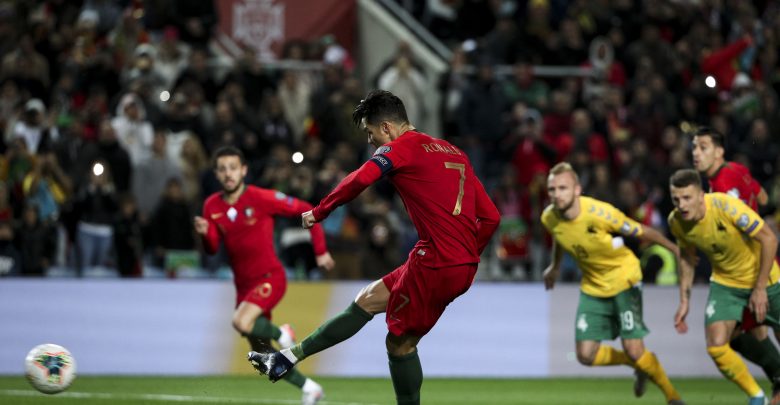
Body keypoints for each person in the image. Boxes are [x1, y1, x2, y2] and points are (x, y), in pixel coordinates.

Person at [248, 90, 500, 405]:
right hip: (452, 260)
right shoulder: (454, 151)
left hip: (436, 261)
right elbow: (491, 217)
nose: (370, 142)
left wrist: (320, 211)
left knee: (400, 345)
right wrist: (465, 257)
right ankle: (286, 358)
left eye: (370, 133)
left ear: (386, 128)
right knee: (367, 299)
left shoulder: (401, 147)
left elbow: (361, 178)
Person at [194, 146, 334, 405]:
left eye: (233, 168)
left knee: (240, 322)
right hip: (244, 288)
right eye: (222, 169)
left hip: (270, 277)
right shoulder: (211, 205)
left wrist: (320, 251)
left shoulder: (260, 197)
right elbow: (212, 248)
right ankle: (310, 388)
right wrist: (205, 234)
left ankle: (282, 332)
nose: (228, 174)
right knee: (263, 358)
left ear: (243, 170)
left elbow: (306, 209)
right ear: (216, 174)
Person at [541, 162, 684, 405]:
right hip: (593, 287)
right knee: (585, 355)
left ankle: (673, 397)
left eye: (563, 188)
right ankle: (638, 365)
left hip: (624, 279)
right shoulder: (549, 217)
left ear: (577, 189)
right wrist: (554, 266)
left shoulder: (600, 212)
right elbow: (559, 236)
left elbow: (640, 231)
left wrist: (676, 250)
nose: (557, 194)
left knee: (635, 350)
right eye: (552, 189)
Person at [668, 169, 780, 405]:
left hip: (765, 280)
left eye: (687, 198)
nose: (682, 205)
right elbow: (687, 256)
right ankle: (756, 396)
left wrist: (760, 288)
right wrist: (684, 300)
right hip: (726, 284)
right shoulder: (676, 221)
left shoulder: (726, 207)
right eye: (676, 199)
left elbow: (769, 238)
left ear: (701, 195)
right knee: (716, 345)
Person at [692, 127, 780, 402]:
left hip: (753, 268)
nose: (696, 153)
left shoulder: (721, 188)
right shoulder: (737, 169)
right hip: (760, 262)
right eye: (694, 147)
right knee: (754, 330)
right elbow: (762, 197)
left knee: (741, 334)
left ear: (719, 151)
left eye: (703, 147)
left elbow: (736, 225)